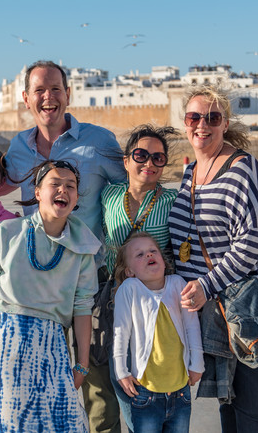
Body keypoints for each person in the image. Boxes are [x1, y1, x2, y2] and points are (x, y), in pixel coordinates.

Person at [2, 60, 127, 433]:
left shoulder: (100, 141)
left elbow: (130, 190)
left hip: (94, 280)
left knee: (98, 384)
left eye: (56, 89)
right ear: (26, 99)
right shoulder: (17, 148)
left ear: (68, 94)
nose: (48, 97)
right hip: (39, 286)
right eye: (39, 90)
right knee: (39, 385)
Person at [168, 85, 258, 432]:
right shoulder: (191, 172)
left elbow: (252, 244)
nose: (202, 125)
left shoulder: (243, 170)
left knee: (253, 408)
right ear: (185, 123)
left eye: (212, 117)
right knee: (231, 405)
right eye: (194, 117)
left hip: (251, 307)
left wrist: (206, 285)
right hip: (218, 311)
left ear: (225, 123)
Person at [0, 160, 98, 432]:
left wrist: (82, 363)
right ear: (37, 192)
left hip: (53, 340)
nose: (63, 189)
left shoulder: (83, 245)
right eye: (55, 184)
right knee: (8, 425)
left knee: (66, 424)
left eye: (70, 186)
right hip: (4, 338)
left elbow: (82, 307)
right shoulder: (7, 232)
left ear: (75, 198)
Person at [100, 124, 179, 430]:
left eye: (158, 158)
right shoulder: (109, 194)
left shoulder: (171, 201)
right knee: (120, 379)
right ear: (126, 161)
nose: (149, 163)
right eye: (141, 155)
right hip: (113, 297)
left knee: (152, 381)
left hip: (153, 306)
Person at [112, 232, 203, 432]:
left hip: (180, 391)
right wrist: (121, 372)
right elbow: (121, 333)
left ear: (163, 259)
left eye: (153, 251)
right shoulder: (130, 289)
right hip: (146, 392)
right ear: (129, 271)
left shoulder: (178, 283)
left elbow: (191, 326)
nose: (148, 255)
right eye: (140, 254)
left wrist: (197, 363)